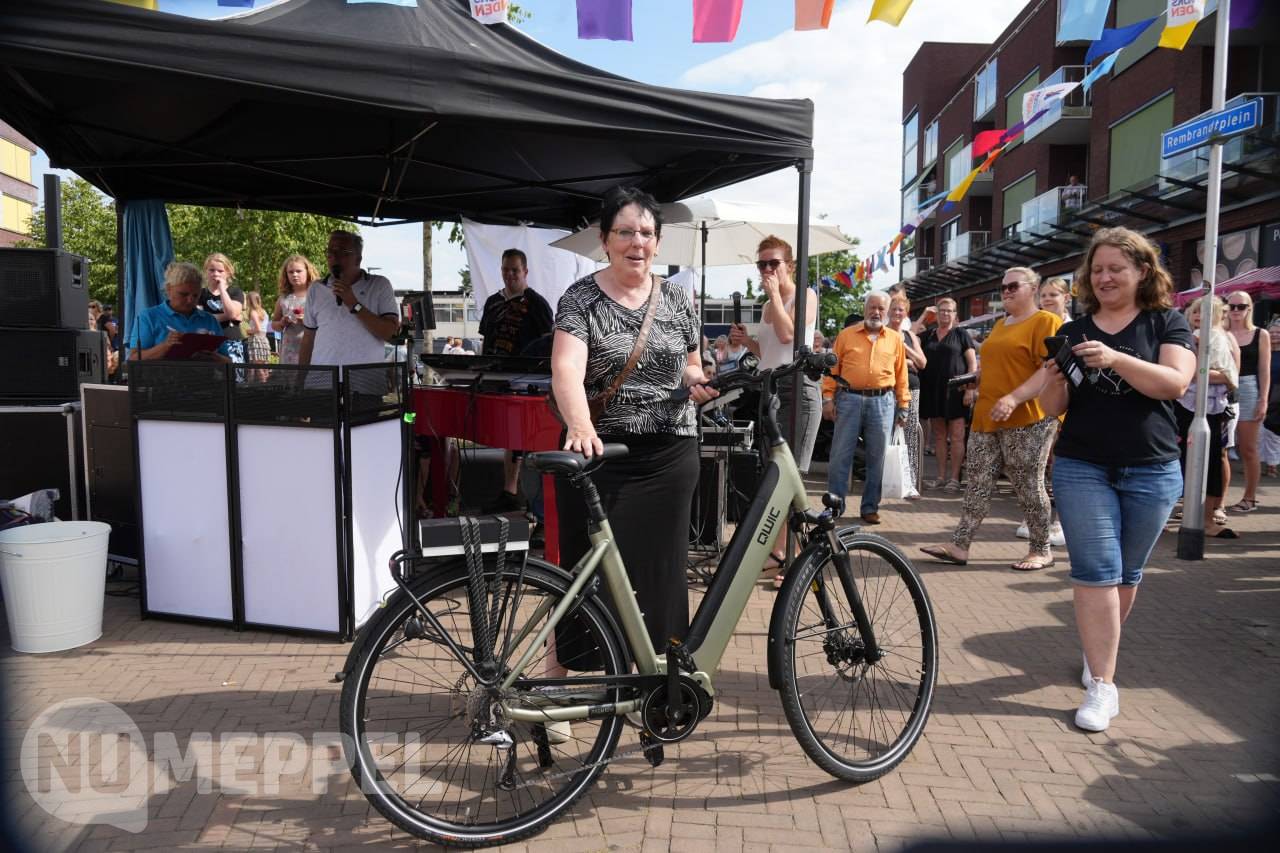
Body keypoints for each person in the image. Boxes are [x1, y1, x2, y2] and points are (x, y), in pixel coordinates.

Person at [551, 185, 716, 679]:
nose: (636, 242)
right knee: (588, 573)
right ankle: (559, 683)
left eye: (646, 233)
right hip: (604, 452)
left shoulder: (677, 300)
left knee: (662, 575)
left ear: (658, 242)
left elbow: (689, 365)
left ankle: (656, 682)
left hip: (671, 454)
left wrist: (699, 380)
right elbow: (566, 368)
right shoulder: (580, 298)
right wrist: (579, 424)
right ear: (604, 240)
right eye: (625, 232)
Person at [1039, 227, 1196, 733]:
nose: (1104, 278)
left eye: (1116, 269)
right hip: (1083, 465)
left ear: (1142, 272)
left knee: (1126, 573)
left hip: (1152, 468)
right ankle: (1103, 684)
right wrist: (1053, 381)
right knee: (1097, 569)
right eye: (1098, 270)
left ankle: (1096, 651)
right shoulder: (1071, 330)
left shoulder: (1166, 323)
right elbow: (1053, 408)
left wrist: (1115, 358)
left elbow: (1174, 382)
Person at [920, 267, 1062, 571]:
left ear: (1033, 288)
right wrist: (973, 380)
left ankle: (1041, 548)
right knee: (977, 485)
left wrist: (1014, 398)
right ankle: (959, 546)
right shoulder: (1000, 324)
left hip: (1029, 417)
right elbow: (992, 366)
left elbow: (1048, 369)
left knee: (1028, 485)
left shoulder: (1046, 322)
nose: (1006, 292)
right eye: (1003, 288)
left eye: (1013, 286)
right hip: (987, 415)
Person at [730, 235, 821, 579]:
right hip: (770, 389)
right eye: (762, 264)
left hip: (797, 388)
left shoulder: (805, 296)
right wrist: (746, 341)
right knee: (774, 473)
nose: (767, 270)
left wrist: (774, 296)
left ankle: (794, 555)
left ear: (789, 265)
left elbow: (789, 338)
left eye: (774, 263)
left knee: (792, 474)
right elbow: (767, 353)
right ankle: (780, 551)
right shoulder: (769, 306)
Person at [477, 248, 555, 513]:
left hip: (530, 383)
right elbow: (486, 340)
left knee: (532, 439)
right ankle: (509, 492)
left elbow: (549, 342)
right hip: (497, 380)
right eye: (505, 270)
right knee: (509, 436)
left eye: (514, 270)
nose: (509, 275)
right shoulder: (492, 302)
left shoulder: (537, 304)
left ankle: (537, 503)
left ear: (525, 272)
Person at [822, 291, 909, 525]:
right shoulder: (846, 336)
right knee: (840, 455)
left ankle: (870, 506)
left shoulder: (894, 339)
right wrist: (827, 398)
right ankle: (835, 506)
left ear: (888, 312)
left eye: (881, 308)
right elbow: (831, 370)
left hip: (883, 401)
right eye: (872, 307)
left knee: (877, 458)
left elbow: (901, 374)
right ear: (864, 309)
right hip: (848, 399)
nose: (876, 312)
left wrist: (904, 404)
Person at [1175, 296, 1239, 538]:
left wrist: (1199, 374)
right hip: (1185, 406)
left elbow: (1230, 375)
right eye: (1196, 312)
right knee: (1182, 462)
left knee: (1210, 462)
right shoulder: (1186, 337)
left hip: (1211, 410)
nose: (1199, 316)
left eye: (1206, 312)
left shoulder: (1218, 338)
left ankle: (1207, 519)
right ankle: (1188, 515)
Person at [298, 230, 400, 374]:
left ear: (358, 259)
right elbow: (308, 338)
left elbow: (391, 334)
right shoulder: (316, 288)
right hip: (323, 382)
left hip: (365, 383)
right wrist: (300, 379)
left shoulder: (379, 285)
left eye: (342, 252)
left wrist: (354, 304)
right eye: (330, 252)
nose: (334, 257)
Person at [918, 297, 976, 490]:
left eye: (949, 311)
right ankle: (941, 476)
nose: (945, 314)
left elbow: (972, 363)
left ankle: (954, 479)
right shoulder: (927, 335)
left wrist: (970, 388)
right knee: (939, 436)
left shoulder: (961, 334)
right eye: (941, 310)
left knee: (957, 436)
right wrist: (924, 315)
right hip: (932, 391)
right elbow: (906, 337)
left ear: (955, 314)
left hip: (956, 391)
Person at [128, 262, 232, 362]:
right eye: (184, 294)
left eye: (195, 295)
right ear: (169, 289)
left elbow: (228, 361)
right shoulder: (149, 317)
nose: (190, 300)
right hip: (162, 379)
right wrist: (165, 346)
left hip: (203, 379)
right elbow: (133, 358)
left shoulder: (209, 320)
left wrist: (212, 356)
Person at [1225, 291, 1270, 513]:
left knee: (1248, 448)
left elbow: (1264, 370)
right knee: (1220, 447)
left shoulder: (1260, 334)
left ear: (1249, 308)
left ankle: (1250, 498)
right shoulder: (1220, 332)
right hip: (1221, 387)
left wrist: (1263, 399)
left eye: (1240, 306)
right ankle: (1216, 500)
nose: (1234, 311)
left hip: (1248, 387)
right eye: (1230, 306)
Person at [889, 293, 927, 496]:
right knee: (886, 433)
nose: (897, 312)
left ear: (906, 313)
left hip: (911, 388)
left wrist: (905, 349)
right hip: (888, 389)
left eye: (900, 309)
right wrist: (907, 363)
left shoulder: (910, 336)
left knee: (910, 433)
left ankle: (909, 482)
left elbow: (923, 363)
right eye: (894, 308)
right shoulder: (882, 332)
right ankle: (887, 479)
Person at [199, 253, 245, 363]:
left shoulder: (235, 291)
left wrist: (222, 289)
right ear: (206, 271)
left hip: (231, 341)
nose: (216, 274)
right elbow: (199, 318)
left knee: (234, 377)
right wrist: (226, 317)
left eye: (220, 271)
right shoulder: (201, 293)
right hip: (208, 343)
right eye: (212, 270)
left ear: (228, 273)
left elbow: (232, 313)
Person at [272, 254, 317, 365]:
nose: (294, 275)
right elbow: (274, 325)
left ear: (307, 271)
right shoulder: (283, 298)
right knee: (290, 381)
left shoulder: (316, 295)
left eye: (298, 271)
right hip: (289, 350)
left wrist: (307, 321)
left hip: (312, 348)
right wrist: (282, 323)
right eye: (290, 272)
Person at [1261, 318, 1280, 478]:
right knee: (1264, 430)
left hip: (1278, 396)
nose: (1274, 335)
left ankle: (1273, 464)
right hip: (1263, 393)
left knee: (1274, 431)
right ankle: (1268, 464)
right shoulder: (1263, 351)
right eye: (1272, 332)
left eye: (1278, 332)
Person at [243, 291, 272, 363]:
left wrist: (248, 331)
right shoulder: (264, 312)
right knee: (264, 365)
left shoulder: (253, 312)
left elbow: (258, 329)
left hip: (256, 340)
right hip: (264, 339)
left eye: (247, 299)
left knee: (255, 365)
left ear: (250, 300)